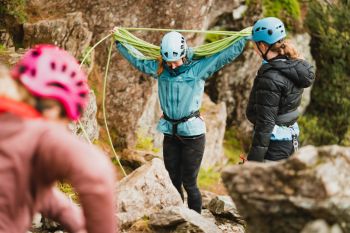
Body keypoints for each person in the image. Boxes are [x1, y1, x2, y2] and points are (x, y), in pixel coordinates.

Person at [114, 28, 247, 213]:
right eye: (169, 61)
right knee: (172, 178)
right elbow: (138, 60)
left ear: (184, 55)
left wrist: (242, 38)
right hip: (170, 131)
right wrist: (121, 41)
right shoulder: (161, 69)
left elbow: (223, 56)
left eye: (175, 61)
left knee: (189, 182)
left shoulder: (197, 69)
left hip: (193, 135)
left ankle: (196, 221)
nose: (173, 66)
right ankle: (176, 217)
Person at [0, 45, 117, 233]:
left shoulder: (8, 123)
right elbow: (96, 171)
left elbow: (21, 185)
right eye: (65, 122)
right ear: (53, 109)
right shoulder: (36, 130)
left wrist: (73, 219)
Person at [246, 17, 315, 162]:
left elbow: (266, 124)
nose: (253, 47)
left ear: (263, 46)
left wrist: (253, 163)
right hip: (290, 140)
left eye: (255, 44)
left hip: (274, 145)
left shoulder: (270, 77)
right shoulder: (292, 65)